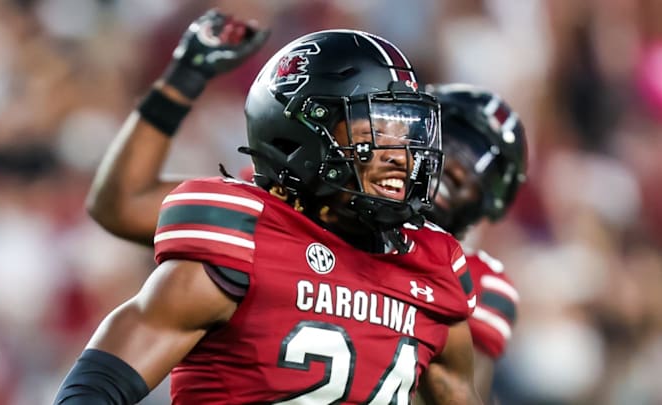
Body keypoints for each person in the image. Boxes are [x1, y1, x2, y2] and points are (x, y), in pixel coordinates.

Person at [56, 10, 482, 404]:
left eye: (408, 131)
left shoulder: (434, 266)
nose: (402, 155)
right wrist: (180, 82)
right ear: (302, 134)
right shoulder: (245, 236)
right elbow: (98, 387)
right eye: (376, 129)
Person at [417, 83, 527, 403]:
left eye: (481, 176)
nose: (458, 171)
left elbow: (461, 393)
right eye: (452, 144)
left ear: (486, 205)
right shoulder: (339, 213)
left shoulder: (479, 282)